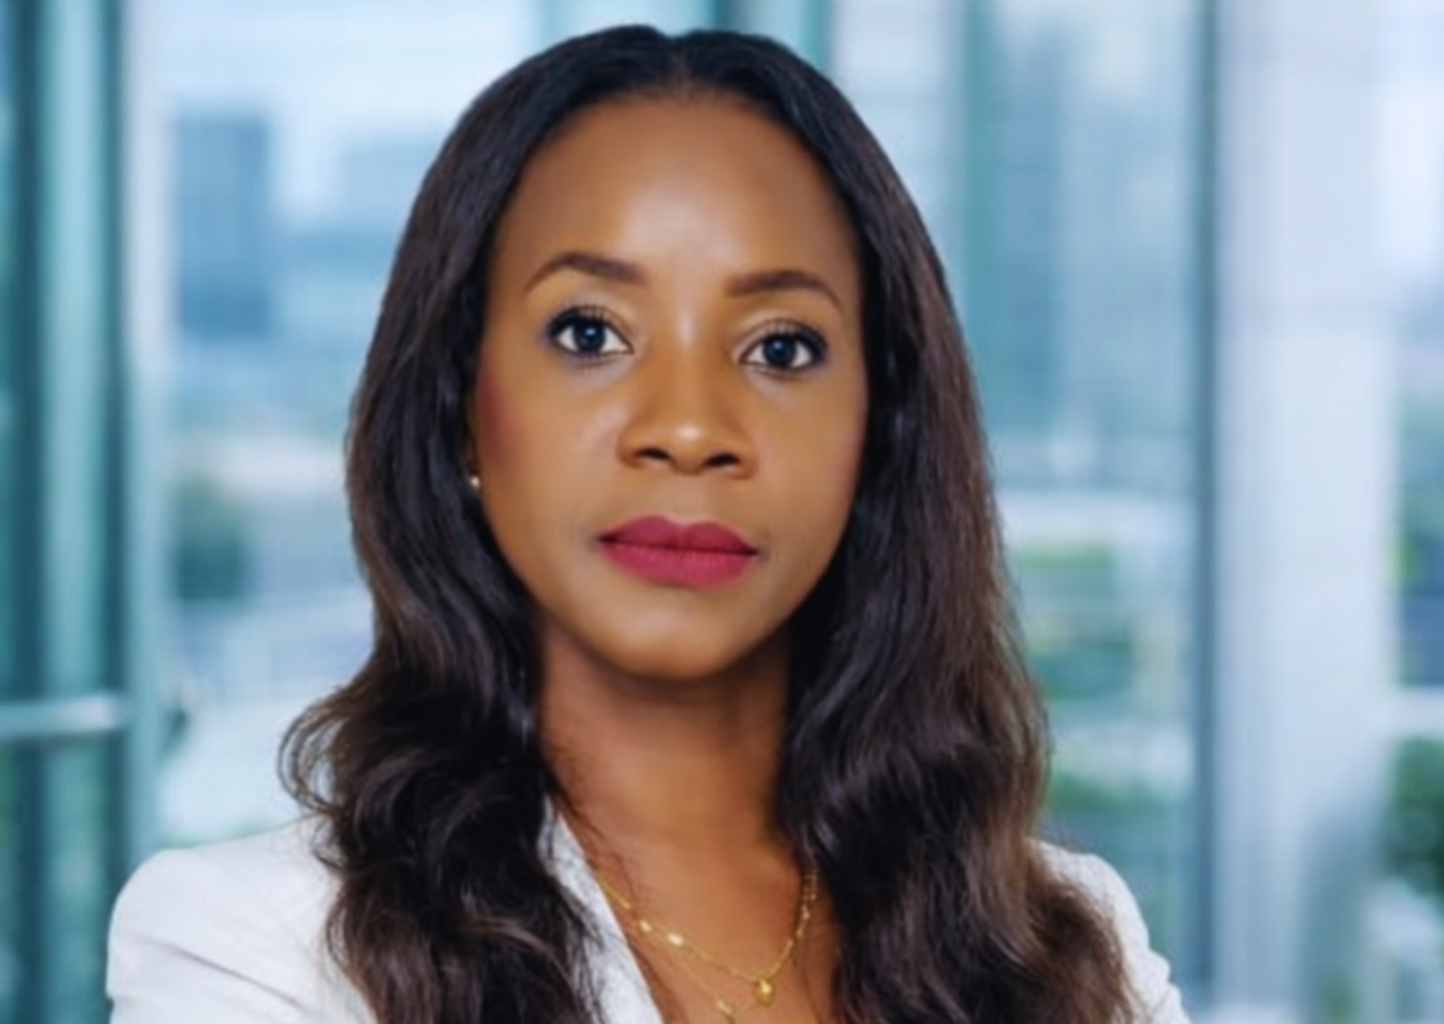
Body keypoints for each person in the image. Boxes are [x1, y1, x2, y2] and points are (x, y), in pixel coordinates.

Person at [107, 23, 1189, 1024]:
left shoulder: (1066, 948)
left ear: (879, 425)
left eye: (781, 348)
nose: (687, 428)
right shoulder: (255, 948)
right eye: (590, 332)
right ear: (460, 407)